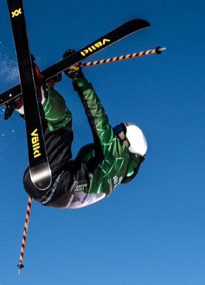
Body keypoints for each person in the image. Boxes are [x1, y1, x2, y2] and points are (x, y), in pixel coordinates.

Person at [16, 54, 147, 209]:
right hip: (43, 189)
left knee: (63, 122)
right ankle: (27, 104)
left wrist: (78, 77)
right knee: (53, 127)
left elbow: (96, 115)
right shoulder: (116, 174)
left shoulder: (118, 154)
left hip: (55, 181)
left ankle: (41, 95)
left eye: (119, 130)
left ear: (129, 141)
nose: (114, 130)